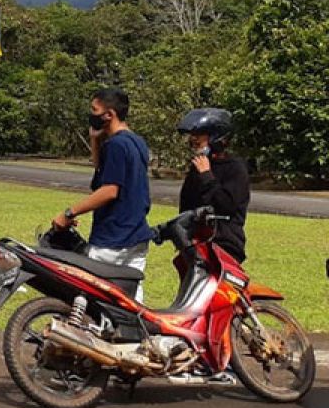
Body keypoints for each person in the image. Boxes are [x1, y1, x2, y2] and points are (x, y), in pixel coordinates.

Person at [52, 88, 153, 301]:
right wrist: (95, 141)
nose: (92, 114)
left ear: (109, 114)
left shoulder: (116, 145)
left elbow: (109, 190)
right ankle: (133, 334)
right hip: (137, 233)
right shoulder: (136, 142)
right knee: (130, 297)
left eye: (94, 109)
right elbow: (103, 169)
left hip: (113, 236)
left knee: (93, 292)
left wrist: (69, 213)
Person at [177, 108, 250, 262]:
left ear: (216, 137)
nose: (193, 139)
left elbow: (226, 205)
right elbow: (186, 206)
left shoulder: (235, 168)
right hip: (195, 245)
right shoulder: (196, 167)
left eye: (199, 135)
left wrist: (207, 176)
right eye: (192, 135)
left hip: (224, 246)